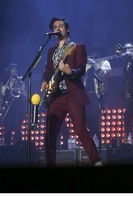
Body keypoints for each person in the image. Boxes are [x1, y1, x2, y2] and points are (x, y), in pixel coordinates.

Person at [41, 17, 102, 167]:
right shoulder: (50, 51)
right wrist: (44, 81)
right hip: (56, 97)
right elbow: (48, 71)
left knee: (81, 130)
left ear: (67, 29)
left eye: (61, 25)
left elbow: (81, 68)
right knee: (50, 134)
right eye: (55, 26)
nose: (58, 28)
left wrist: (70, 71)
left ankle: (97, 162)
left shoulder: (77, 47)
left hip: (73, 95)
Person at [83, 43, 112, 137]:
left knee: (95, 117)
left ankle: (96, 136)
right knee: (86, 118)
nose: (94, 53)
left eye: (96, 50)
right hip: (85, 95)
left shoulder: (105, 62)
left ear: (100, 52)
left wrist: (94, 64)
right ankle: (92, 136)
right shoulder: (87, 64)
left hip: (97, 94)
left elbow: (102, 75)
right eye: (92, 51)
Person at [0, 63, 27, 145]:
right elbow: (1, 96)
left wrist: (19, 95)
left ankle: (18, 146)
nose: (14, 71)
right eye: (12, 69)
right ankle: (7, 147)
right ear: (9, 71)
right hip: (7, 109)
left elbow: (25, 95)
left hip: (16, 108)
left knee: (17, 126)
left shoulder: (20, 82)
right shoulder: (4, 83)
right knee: (7, 128)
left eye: (15, 69)